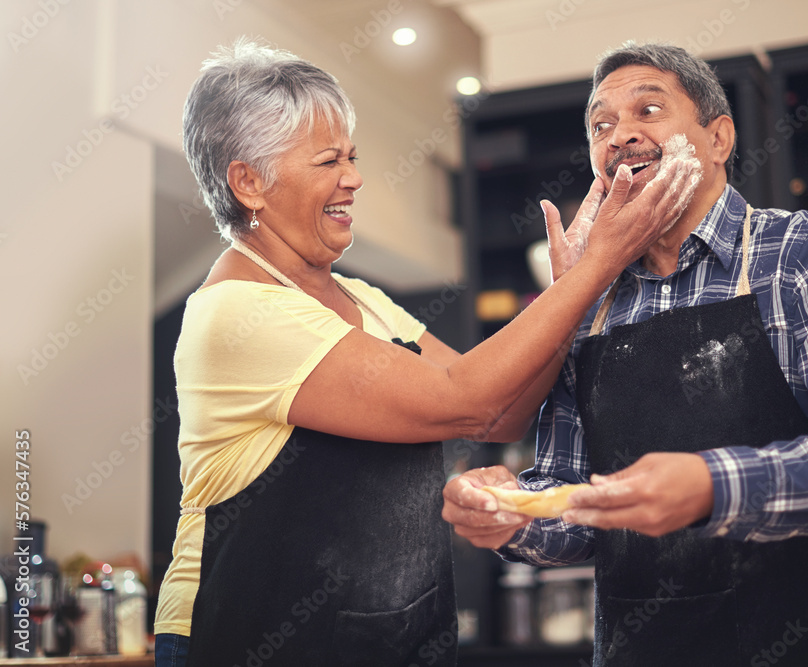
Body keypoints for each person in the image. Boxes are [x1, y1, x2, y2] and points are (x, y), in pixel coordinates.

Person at [152, 38, 700, 667]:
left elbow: (501, 414)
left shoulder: (359, 296)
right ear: (249, 182)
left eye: (352, 157)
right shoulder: (238, 312)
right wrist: (599, 266)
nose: (353, 178)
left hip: (386, 639)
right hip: (251, 632)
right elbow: (463, 401)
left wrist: (572, 283)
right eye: (330, 160)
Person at [443, 42, 808, 666]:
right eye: (601, 125)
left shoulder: (801, 253)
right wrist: (514, 516)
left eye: (649, 110)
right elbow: (573, 494)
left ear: (719, 138)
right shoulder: (585, 300)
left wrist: (712, 487)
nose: (621, 136)